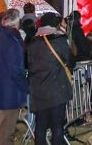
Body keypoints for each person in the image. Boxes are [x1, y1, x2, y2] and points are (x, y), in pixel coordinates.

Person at [27, 12, 73, 145]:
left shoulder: (32, 42)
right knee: (57, 126)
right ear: (56, 24)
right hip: (56, 89)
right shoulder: (59, 40)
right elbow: (70, 60)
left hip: (38, 90)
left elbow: (29, 64)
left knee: (40, 126)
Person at [0, 9, 28, 145]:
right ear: (16, 22)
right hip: (10, 94)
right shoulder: (14, 43)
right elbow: (16, 71)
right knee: (6, 134)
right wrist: (26, 87)